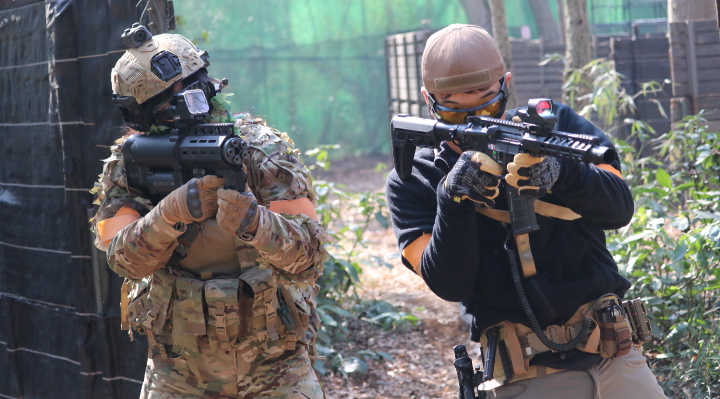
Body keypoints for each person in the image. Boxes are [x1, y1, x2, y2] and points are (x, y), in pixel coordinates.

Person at [385, 24, 668, 398]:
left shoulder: (557, 127)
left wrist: (563, 172)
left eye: (488, 104)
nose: (474, 120)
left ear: (506, 84)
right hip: (524, 375)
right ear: (428, 99)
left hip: (617, 357)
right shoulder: (413, 178)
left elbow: (619, 209)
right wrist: (453, 202)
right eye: (453, 111)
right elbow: (449, 285)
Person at [91, 25, 327, 399]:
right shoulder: (129, 163)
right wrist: (167, 215)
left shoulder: (260, 150)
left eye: (191, 89)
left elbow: (309, 254)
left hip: (275, 363)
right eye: (166, 104)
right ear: (140, 115)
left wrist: (256, 223)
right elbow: (123, 260)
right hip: (178, 368)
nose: (185, 105)